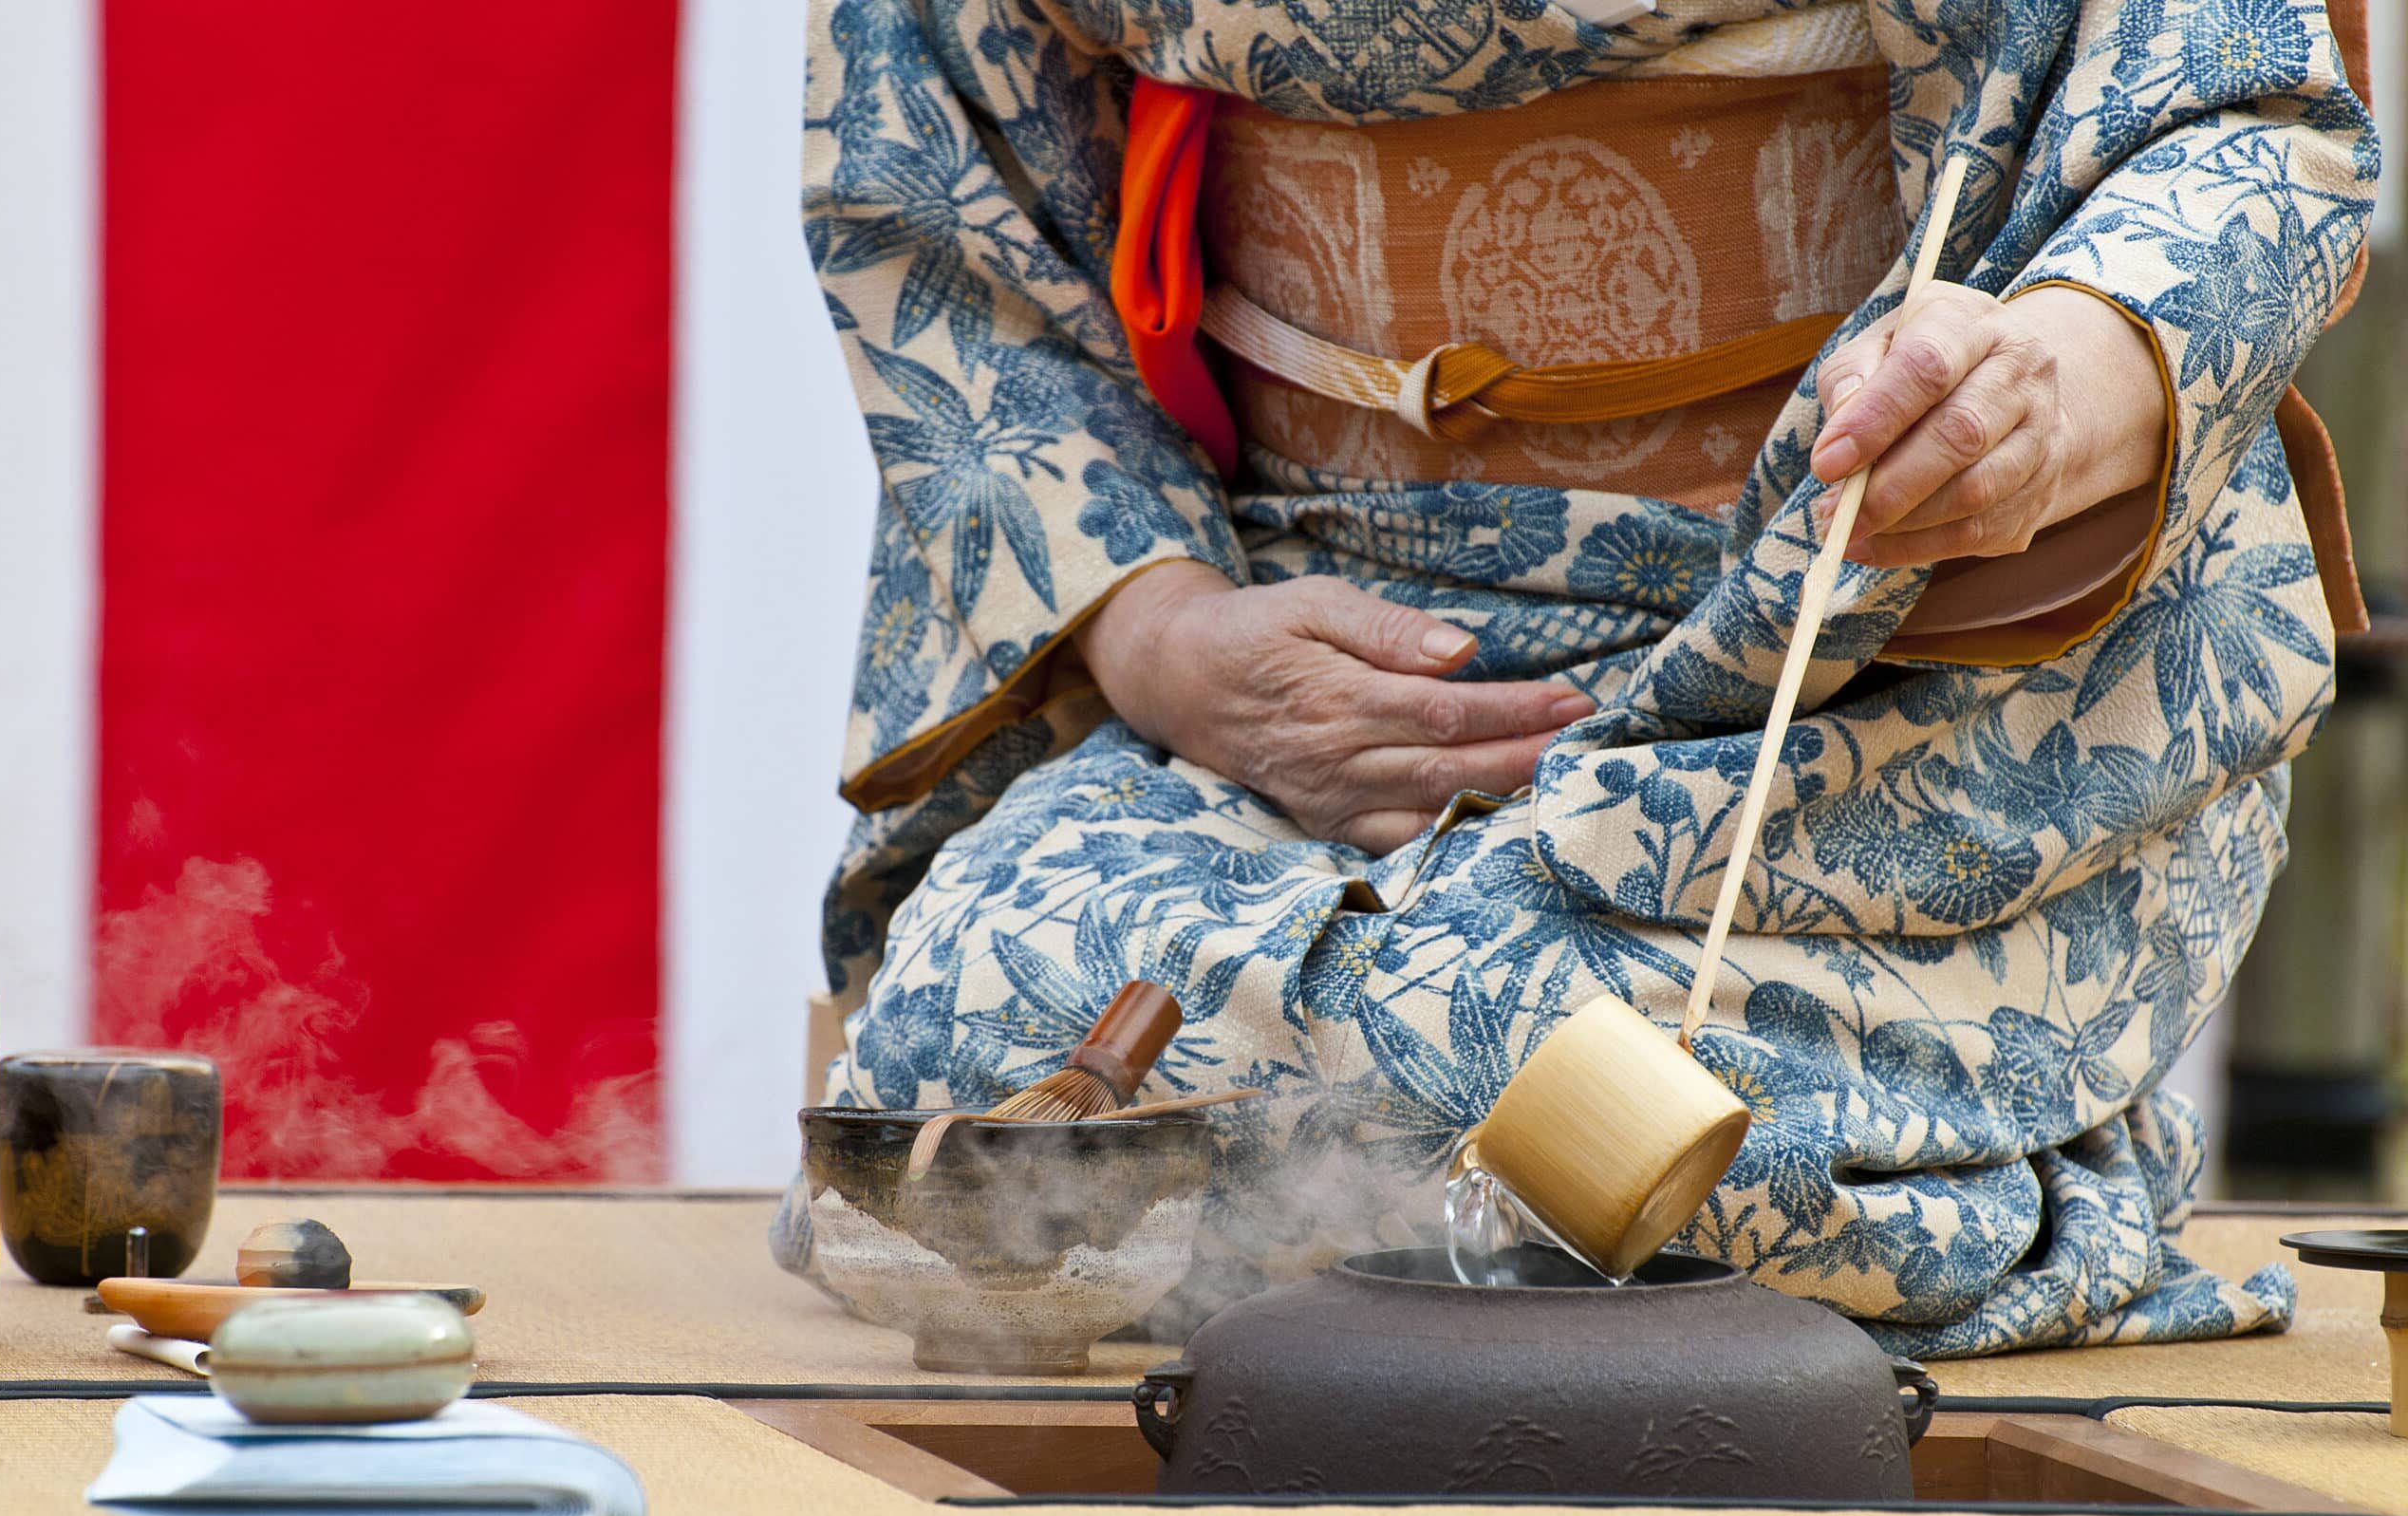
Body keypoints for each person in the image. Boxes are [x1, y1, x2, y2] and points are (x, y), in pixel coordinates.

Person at [775, 0, 2380, 1357]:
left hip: (1877, 644)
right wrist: (1161, 629)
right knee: (964, 1038)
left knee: (1547, 1089)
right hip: (1326, 641)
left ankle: (2005, 1160)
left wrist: (2054, 388)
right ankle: (1908, 1161)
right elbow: (929, 153)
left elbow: (2241, 115)